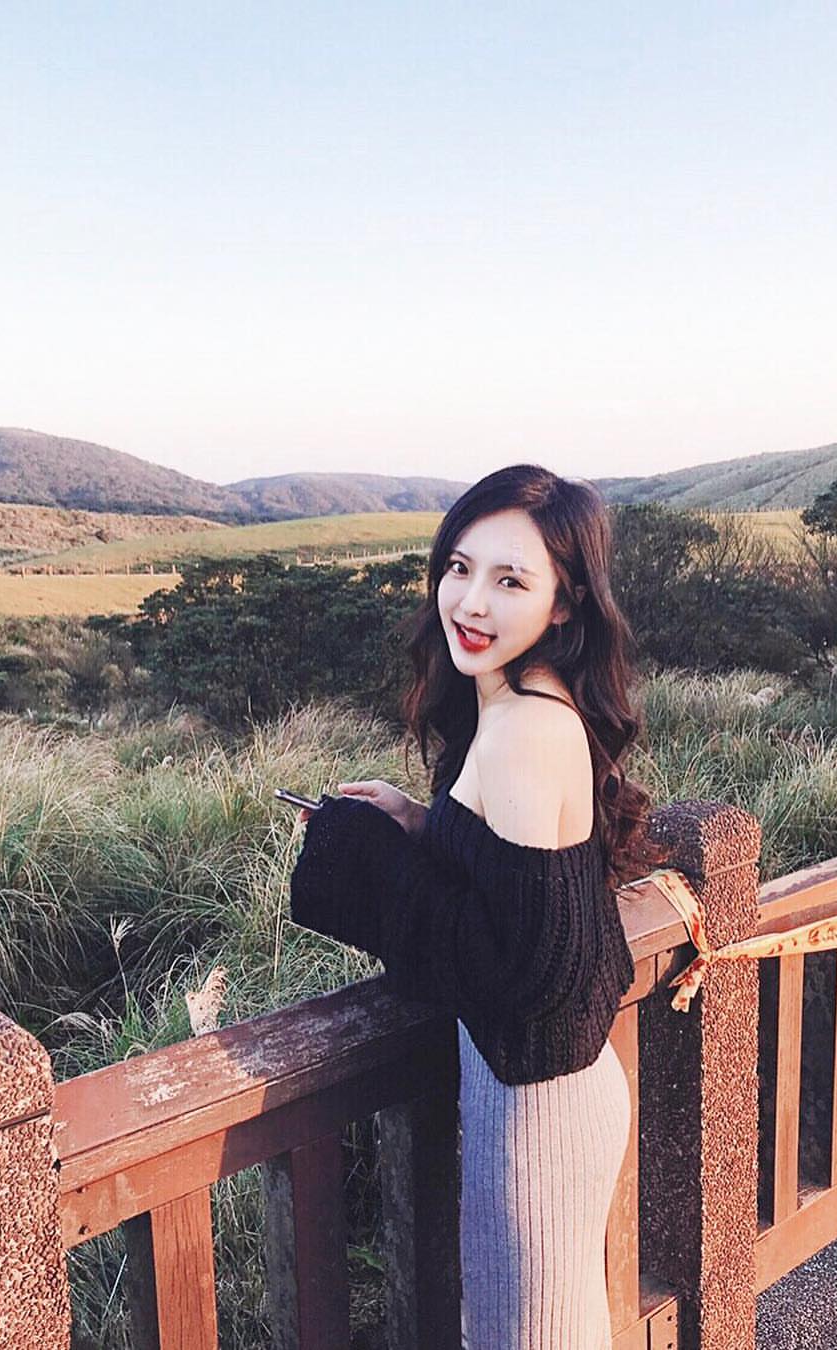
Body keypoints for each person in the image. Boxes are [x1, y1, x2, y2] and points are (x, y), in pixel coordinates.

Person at [288, 464, 663, 1349]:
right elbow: (526, 877)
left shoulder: (526, 727)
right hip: (544, 1087)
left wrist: (373, 864)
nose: (472, 600)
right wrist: (418, 823)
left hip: (539, 1113)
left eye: (511, 580)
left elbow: (522, 966)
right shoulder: (521, 702)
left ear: (565, 604)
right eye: (460, 567)